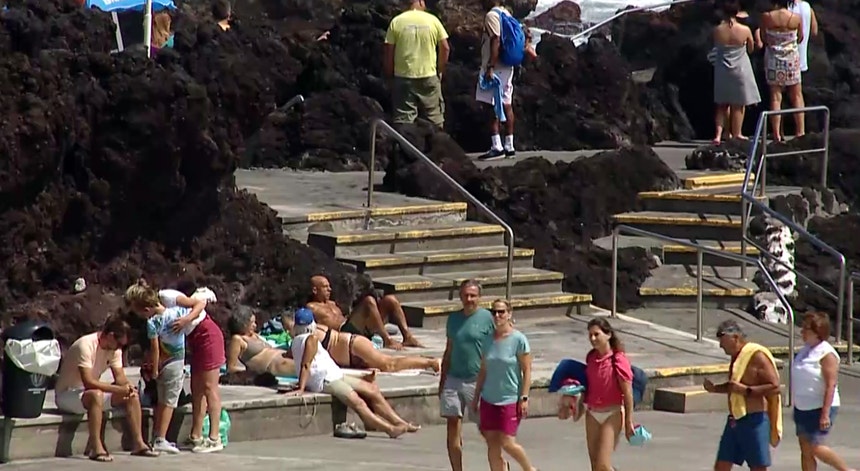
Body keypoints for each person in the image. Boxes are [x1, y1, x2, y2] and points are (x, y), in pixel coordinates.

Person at [126, 280, 225, 453]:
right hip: (192, 340)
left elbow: (200, 303)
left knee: (209, 387)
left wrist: (186, 320)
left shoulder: (168, 297)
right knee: (197, 388)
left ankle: (214, 438)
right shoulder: (158, 317)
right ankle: (196, 436)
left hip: (207, 335)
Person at [288, 308, 418, 438]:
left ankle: (400, 422)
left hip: (334, 374)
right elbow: (306, 364)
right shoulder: (311, 339)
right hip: (326, 380)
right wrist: (301, 388)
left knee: (372, 389)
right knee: (358, 402)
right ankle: (390, 429)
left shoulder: (295, 341)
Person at [54, 316, 159, 461]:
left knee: (132, 396)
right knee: (95, 395)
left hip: (89, 394)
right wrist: (117, 390)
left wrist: (127, 387)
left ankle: (139, 444)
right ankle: (96, 448)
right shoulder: (85, 345)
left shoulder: (115, 350)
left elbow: (120, 377)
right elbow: (88, 382)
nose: (120, 348)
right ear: (110, 336)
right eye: (119, 344)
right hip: (67, 394)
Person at [704, 320, 782, 471]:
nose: (720, 345)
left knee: (757, 467)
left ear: (735, 337)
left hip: (754, 420)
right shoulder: (737, 357)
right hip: (735, 420)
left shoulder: (757, 356)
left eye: (722, 340)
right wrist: (714, 389)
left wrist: (747, 391)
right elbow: (734, 386)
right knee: (721, 465)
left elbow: (775, 386)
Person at [472, 299, 536, 471]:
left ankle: (529, 469)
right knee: (492, 443)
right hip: (488, 398)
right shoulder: (487, 340)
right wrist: (476, 396)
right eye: (494, 312)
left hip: (509, 399)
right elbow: (483, 370)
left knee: (508, 442)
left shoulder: (519, 340)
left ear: (509, 314)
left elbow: (527, 370)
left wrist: (524, 397)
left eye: (501, 312)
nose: (497, 315)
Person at [440, 279, 496, 471]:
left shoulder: (488, 318)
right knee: (452, 427)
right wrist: (442, 379)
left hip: (477, 380)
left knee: (487, 430)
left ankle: (500, 465)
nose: (469, 299)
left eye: (473, 295)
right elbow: (449, 350)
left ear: (479, 297)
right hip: (453, 378)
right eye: (466, 295)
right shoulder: (453, 319)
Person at [792, 312, 856, 471]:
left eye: (806, 329)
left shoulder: (827, 354)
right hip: (802, 407)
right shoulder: (805, 350)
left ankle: (846, 470)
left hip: (820, 407)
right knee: (805, 450)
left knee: (816, 447)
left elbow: (831, 385)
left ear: (818, 331)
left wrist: (825, 414)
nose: (802, 332)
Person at [577, 317, 636, 471]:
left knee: (603, 465)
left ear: (608, 334)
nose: (593, 339)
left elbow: (627, 393)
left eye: (596, 334)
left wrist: (629, 421)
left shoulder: (618, 359)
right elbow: (587, 386)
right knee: (595, 465)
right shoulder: (591, 357)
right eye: (590, 335)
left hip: (612, 413)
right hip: (592, 413)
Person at [307, 275, 422, 349]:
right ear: (315, 290)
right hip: (344, 331)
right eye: (325, 287)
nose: (329, 289)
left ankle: (407, 337)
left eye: (329, 286)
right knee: (368, 301)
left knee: (390, 299)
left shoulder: (332, 303)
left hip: (357, 326)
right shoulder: (311, 307)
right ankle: (387, 340)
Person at [383, 0, 450, 128]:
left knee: (404, 121)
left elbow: (388, 51)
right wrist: (440, 70)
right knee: (434, 119)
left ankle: (405, 140)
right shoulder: (433, 20)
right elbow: (445, 48)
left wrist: (390, 75)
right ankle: (437, 139)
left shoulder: (396, 21)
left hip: (403, 77)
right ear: (420, 1)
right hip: (429, 75)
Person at [476, 0, 527, 161]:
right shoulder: (506, 13)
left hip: (495, 66)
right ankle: (509, 146)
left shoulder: (492, 15)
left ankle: (496, 146)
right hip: (507, 66)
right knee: (506, 103)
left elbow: (496, 39)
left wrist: (490, 66)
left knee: (491, 105)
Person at [711, 0, 761, 144]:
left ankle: (719, 135)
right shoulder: (744, 30)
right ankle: (737, 133)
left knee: (722, 104)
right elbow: (751, 48)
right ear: (737, 12)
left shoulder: (717, 30)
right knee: (738, 104)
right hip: (740, 67)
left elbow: (716, 46)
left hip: (722, 68)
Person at [143, 300, 189, 454]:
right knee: (170, 402)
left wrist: (155, 369)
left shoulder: (152, 322)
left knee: (161, 401)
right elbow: (199, 305)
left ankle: (157, 436)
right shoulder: (178, 312)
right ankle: (161, 439)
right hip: (175, 362)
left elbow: (155, 349)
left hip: (163, 363)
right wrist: (187, 320)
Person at [761, 0, 804, 141]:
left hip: (773, 59)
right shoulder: (796, 17)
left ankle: (776, 134)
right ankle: (800, 131)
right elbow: (800, 38)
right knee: (796, 96)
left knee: (775, 97)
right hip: (791, 59)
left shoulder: (767, 17)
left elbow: (763, 37)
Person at [226, 307, 297, 377]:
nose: (255, 325)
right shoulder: (237, 339)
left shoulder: (255, 335)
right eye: (251, 323)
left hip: (285, 356)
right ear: (242, 324)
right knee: (302, 366)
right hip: (276, 365)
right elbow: (231, 367)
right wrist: (251, 372)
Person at [789, 0, 818, 75]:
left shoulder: (785, 7)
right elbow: (814, 32)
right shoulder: (808, 7)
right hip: (801, 61)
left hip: (784, 61)